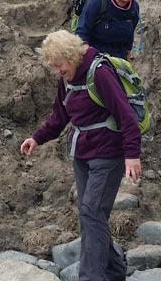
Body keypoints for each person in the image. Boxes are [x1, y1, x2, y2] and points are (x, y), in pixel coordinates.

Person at [20, 30, 141, 281]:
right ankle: (115, 271)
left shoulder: (100, 73)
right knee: (90, 216)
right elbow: (59, 116)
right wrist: (37, 138)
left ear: (71, 56)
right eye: (53, 67)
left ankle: (91, 277)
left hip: (108, 153)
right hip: (82, 154)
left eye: (59, 65)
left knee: (91, 211)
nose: (56, 71)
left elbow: (126, 115)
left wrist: (132, 155)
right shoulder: (66, 78)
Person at [76, 0, 140, 59]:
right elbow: (81, 34)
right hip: (96, 58)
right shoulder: (96, 3)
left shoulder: (134, 8)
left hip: (119, 58)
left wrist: (128, 57)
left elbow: (129, 36)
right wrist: (89, 58)